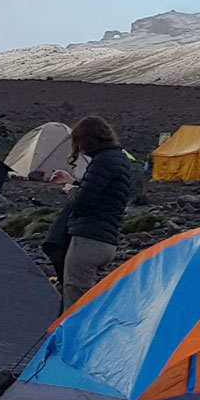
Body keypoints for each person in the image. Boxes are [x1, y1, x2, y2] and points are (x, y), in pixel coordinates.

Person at [40, 117, 138, 311]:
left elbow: (81, 203)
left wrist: (69, 189)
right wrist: (75, 183)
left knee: (75, 300)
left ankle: (73, 340)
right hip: (107, 241)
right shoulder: (119, 159)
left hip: (87, 242)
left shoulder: (103, 162)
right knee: (87, 297)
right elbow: (102, 196)